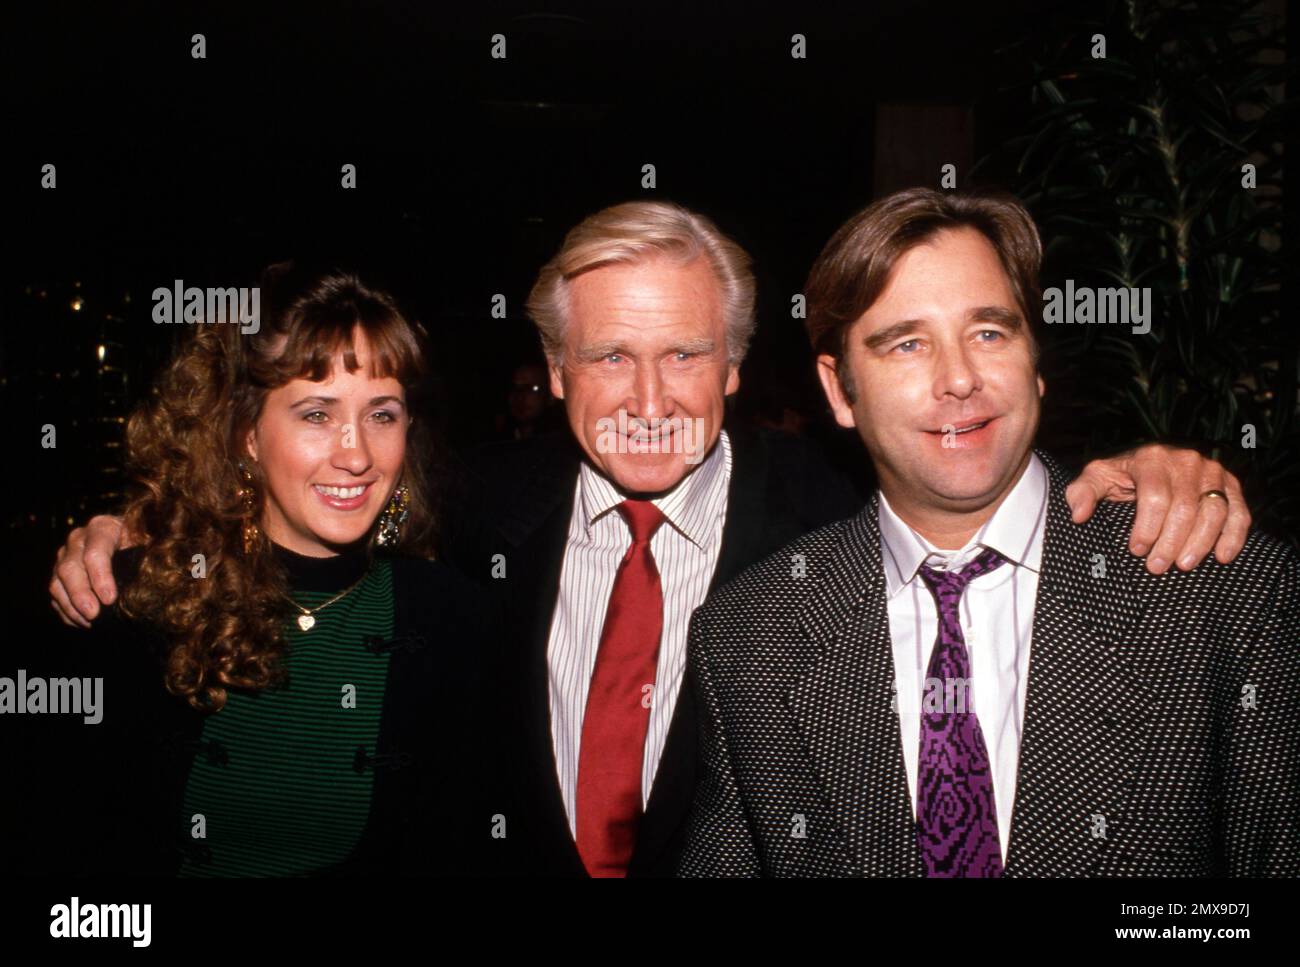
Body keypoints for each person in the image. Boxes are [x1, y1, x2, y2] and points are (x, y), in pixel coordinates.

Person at [52, 203, 1251, 878]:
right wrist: (132, 537)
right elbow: (312, 516)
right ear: (555, 372)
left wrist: (1153, 470)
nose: (645, 391)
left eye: (683, 352)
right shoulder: (470, 519)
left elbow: (976, 478)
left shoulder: (839, 520)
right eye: (608, 355)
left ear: (737, 367)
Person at [677, 188, 1298, 877]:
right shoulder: (749, 639)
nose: (960, 379)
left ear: (1034, 363)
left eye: (989, 332)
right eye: (908, 343)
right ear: (840, 390)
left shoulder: (1221, 588)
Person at [70, 263, 495, 876]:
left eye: (382, 414)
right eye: (316, 415)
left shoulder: (457, 621)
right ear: (247, 434)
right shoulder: (140, 600)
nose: (356, 456)